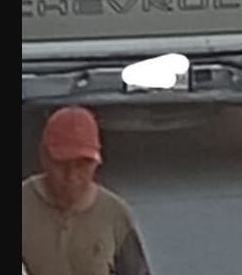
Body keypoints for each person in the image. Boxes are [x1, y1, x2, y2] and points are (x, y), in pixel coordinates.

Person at [22, 106, 151, 275]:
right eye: (62, 164)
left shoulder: (115, 216)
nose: (72, 176)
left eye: (83, 165)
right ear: (44, 158)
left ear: (97, 163)